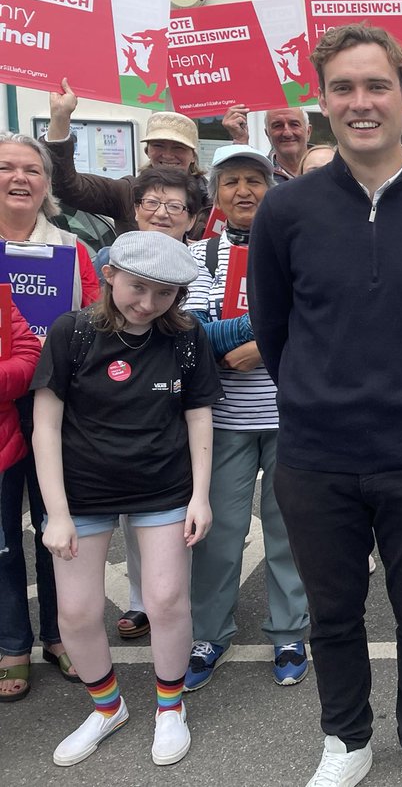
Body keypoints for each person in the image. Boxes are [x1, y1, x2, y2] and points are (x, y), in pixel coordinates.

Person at [250, 24, 402, 787]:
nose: (361, 102)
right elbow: (273, 329)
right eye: (344, 88)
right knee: (333, 612)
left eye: (377, 85)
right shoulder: (284, 212)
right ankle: (347, 739)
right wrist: (319, 395)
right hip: (316, 456)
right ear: (322, 102)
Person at [34, 229, 223, 767]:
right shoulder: (73, 332)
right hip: (83, 491)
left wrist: (200, 496)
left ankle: (170, 707)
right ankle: (107, 707)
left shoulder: (186, 336)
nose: (148, 303)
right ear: (110, 275)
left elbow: (199, 414)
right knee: (76, 612)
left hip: (163, 486)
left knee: (166, 601)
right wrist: (56, 513)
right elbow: (45, 425)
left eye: (165, 293)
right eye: (137, 287)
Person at [181, 144, 310, 692]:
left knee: (288, 530)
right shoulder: (194, 255)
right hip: (222, 420)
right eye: (231, 181)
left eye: (254, 180)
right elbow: (185, 329)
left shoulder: (295, 251)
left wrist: (261, 345)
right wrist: (262, 329)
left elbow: (319, 319)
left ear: (270, 189)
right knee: (218, 533)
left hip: (287, 416)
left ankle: (289, 631)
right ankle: (209, 633)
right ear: (216, 193)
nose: (243, 191)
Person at [0, 132, 100, 693]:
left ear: (46, 183)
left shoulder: (71, 249)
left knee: (54, 525)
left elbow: (95, 317)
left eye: (32, 170)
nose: (20, 178)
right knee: (0, 536)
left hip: (57, 406)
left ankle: (60, 635)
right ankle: (10, 642)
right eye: (6, 168)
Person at [95, 167, 205, 642]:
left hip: (185, 399)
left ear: (192, 217)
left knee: (181, 512)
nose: (162, 213)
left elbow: (200, 328)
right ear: (136, 208)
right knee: (134, 515)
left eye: (175, 206)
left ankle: (178, 600)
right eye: (152, 203)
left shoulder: (203, 261)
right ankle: (144, 600)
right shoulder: (110, 260)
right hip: (116, 407)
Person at [41, 80, 210, 239]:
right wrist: (60, 118)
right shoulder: (126, 192)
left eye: (178, 147)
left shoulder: (213, 200)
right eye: (158, 145)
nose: (167, 154)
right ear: (147, 151)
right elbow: (66, 186)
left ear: (193, 156)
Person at [0, 301, 50, 702]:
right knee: (2, 553)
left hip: (11, 437)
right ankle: (13, 644)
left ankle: (59, 635)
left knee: (53, 539)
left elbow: (29, 358)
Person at [223, 105, 313, 181]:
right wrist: (240, 140)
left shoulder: (321, 168)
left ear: (308, 131)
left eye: (294, 124)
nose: (287, 133)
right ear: (267, 134)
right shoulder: (260, 172)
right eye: (278, 126)